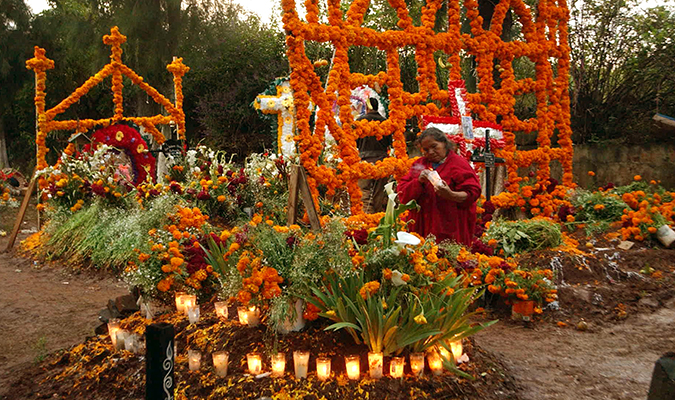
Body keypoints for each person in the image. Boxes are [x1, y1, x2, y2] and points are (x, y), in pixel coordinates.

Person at [397, 127, 481, 246]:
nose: (430, 152)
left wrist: (451, 195)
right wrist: (418, 181)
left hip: (449, 227)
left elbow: (473, 193)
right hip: (421, 227)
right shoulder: (420, 164)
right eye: (426, 149)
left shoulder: (458, 164)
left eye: (434, 146)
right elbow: (402, 194)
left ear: (445, 144)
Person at [356, 98, 392, 213]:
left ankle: (367, 217)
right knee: (379, 192)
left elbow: (354, 141)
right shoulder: (385, 122)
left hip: (363, 161)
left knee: (364, 191)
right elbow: (390, 143)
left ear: (367, 108)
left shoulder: (359, 121)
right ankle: (378, 218)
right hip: (382, 161)